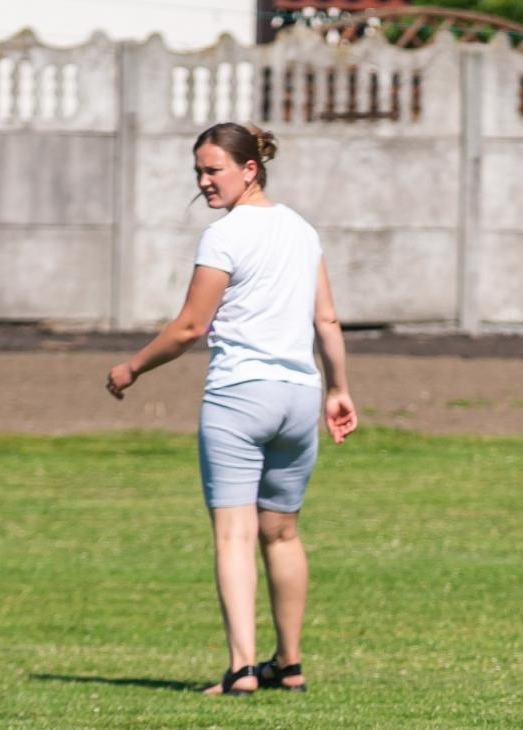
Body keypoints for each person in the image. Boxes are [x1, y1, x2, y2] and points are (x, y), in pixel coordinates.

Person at [105, 122, 357, 696]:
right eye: (198, 170)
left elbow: (191, 325)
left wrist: (132, 368)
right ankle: (288, 664)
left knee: (235, 535)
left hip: (240, 395)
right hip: (298, 394)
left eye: (213, 169)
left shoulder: (224, 236)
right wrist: (338, 388)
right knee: (283, 532)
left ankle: (242, 668)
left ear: (250, 169)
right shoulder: (302, 230)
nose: (204, 181)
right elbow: (327, 319)